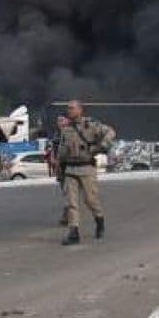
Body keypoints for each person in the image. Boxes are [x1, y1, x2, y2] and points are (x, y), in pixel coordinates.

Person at [55, 100, 116, 246]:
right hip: (70, 169)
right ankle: (73, 232)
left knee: (90, 200)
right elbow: (62, 150)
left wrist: (102, 146)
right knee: (71, 202)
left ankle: (99, 219)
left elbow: (110, 132)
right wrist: (59, 166)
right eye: (68, 108)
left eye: (72, 108)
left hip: (87, 167)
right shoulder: (66, 129)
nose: (69, 111)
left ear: (80, 110)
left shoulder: (91, 125)